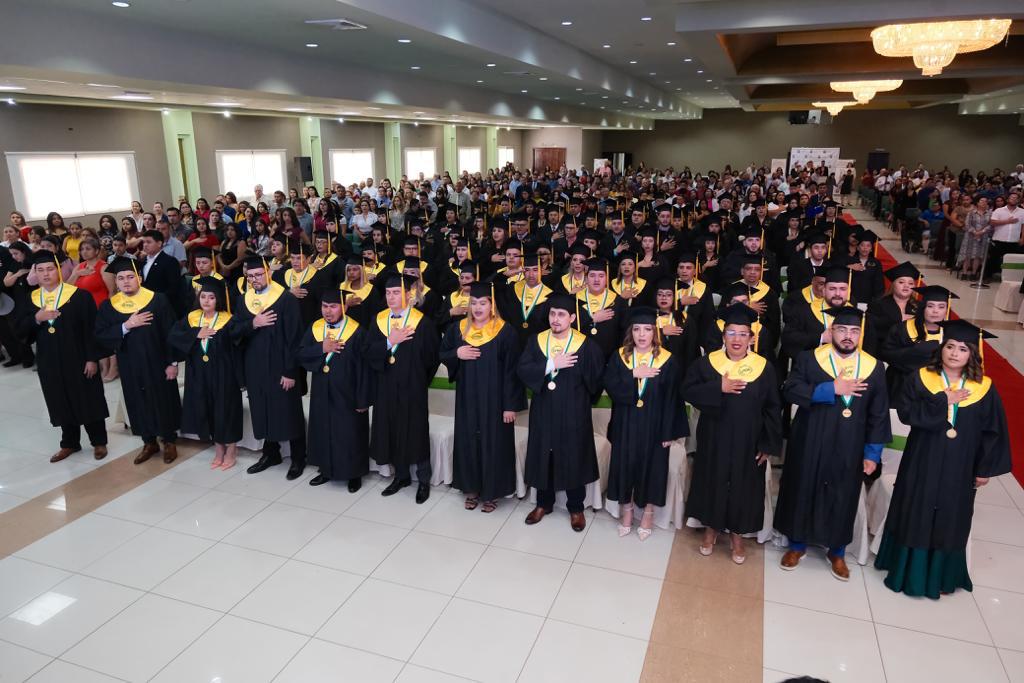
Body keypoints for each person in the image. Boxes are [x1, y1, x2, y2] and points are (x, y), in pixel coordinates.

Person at [875, 320, 1011, 599]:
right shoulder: (921, 377)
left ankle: (942, 575)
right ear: (942, 348)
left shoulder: (984, 388)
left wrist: (984, 468)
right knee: (917, 508)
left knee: (952, 514)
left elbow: (992, 430)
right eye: (950, 346)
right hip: (923, 457)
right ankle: (906, 570)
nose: (954, 353)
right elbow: (907, 415)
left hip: (961, 464)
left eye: (963, 349)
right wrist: (942, 401)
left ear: (972, 354)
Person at [775, 306, 891, 580]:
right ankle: (797, 545)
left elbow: (879, 413)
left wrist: (872, 453)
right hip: (811, 436)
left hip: (851, 441)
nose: (848, 336)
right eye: (842, 329)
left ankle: (837, 551)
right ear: (832, 331)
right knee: (804, 487)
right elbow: (790, 390)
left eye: (854, 331)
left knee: (843, 493)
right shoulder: (810, 358)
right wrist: (830, 389)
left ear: (860, 334)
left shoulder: (873, 367)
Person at [682, 303, 782, 564]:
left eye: (742, 334)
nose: (736, 339)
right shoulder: (708, 364)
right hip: (714, 435)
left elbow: (773, 407)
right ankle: (711, 530)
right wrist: (719, 387)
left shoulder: (764, 367)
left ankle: (737, 534)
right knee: (711, 480)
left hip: (750, 439)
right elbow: (687, 391)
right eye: (731, 333)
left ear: (752, 337)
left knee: (744, 486)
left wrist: (768, 443)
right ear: (723, 335)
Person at [517, 293, 604, 532]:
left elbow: (597, 379)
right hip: (544, 407)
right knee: (545, 453)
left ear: (572, 317)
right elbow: (523, 369)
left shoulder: (585, 345)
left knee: (574, 455)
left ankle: (575, 508)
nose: (555, 319)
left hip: (574, 410)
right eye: (552, 314)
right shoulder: (537, 341)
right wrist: (551, 365)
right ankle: (544, 504)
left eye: (561, 315)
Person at [602, 306, 688, 539]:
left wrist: (669, 432)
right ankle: (627, 511)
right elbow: (610, 386)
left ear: (655, 332)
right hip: (626, 422)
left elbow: (673, 398)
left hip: (655, 424)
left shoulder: (668, 361)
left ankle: (648, 513)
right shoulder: (621, 356)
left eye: (647, 329)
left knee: (653, 468)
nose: (642, 334)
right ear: (631, 332)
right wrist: (633, 375)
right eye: (637, 329)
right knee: (625, 466)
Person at [439, 282, 526, 512]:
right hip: (467, 399)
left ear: (492, 305)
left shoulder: (505, 332)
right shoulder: (458, 330)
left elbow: (512, 372)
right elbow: (443, 352)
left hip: (496, 401)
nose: (477, 307)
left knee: (494, 443)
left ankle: (492, 492)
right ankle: (472, 489)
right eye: (474, 303)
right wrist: (456, 353)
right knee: (468, 441)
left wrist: (510, 406)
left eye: (483, 303)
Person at [19, 252, 109, 462]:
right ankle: (69, 443)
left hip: (79, 357)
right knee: (59, 399)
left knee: (88, 398)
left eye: (50, 269)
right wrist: (36, 318)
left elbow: (91, 330)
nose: (45, 274)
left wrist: (92, 358)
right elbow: (20, 331)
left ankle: (98, 441)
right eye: (40, 270)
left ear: (58, 271)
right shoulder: (31, 300)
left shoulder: (79, 296)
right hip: (49, 360)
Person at [94, 257, 182, 464]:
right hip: (129, 363)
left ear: (139, 279)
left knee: (162, 400)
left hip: (157, 362)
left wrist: (173, 363)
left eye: (130, 277)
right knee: (138, 401)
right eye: (121, 278)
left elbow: (171, 332)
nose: (126, 281)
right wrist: (126, 326)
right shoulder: (110, 306)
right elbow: (100, 334)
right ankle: (148, 441)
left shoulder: (157, 300)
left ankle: (169, 441)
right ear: (116, 282)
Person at [297, 289, 381, 491]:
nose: (328, 311)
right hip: (322, 392)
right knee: (324, 430)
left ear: (344, 307)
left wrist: (363, 400)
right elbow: (300, 354)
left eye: (333, 306)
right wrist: (321, 348)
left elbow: (365, 369)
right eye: (324, 306)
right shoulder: (315, 328)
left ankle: (354, 474)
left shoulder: (357, 331)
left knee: (350, 434)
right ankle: (326, 470)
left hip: (349, 393)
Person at [234, 256, 308, 480]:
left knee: (289, 411)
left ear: (268, 273)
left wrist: (290, 371)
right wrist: (252, 324)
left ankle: (298, 457)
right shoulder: (243, 300)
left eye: (259, 274)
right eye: (250, 276)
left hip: (281, 367)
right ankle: (271, 453)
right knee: (262, 409)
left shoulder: (285, 299)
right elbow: (235, 331)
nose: (255, 279)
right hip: (255, 366)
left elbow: (296, 338)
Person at [370, 273, 440, 504]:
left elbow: (431, 359)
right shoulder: (379, 320)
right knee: (392, 429)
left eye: (396, 292)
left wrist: (418, 381)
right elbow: (367, 352)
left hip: (413, 387)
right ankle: (401, 476)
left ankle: (423, 480)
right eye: (388, 293)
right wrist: (390, 341)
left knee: (416, 431)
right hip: (386, 386)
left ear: (408, 294)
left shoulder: (423, 323)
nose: (391, 297)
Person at [167, 276, 244, 470]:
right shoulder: (192, 318)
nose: (206, 301)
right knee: (208, 409)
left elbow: (239, 343)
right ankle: (218, 448)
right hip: (199, 374)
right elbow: (173, 336)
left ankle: (232, 448)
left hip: (224, 374)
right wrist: (196, 334)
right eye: (203, 297)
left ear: (218, 299)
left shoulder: (228, 320)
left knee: (226, 411)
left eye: (211, 297)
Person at [879, 285, 956, 401]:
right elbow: (886, 354)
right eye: (930, 306)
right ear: (923, 307)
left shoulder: (953, 335)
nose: (935, 311)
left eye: (941, 307)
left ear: (947, 310)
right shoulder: (902, 329)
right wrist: (915, 351)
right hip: (902, 386)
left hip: (939, 389)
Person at [865, 262, 920, 355]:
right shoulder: (878, 304)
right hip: (882, 352)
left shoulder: (919, 307)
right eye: (901, 282)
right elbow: (869, 326)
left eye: (910, 283)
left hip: (910, 354)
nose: (906, 286)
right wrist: (898, 319)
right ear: (893, 284)